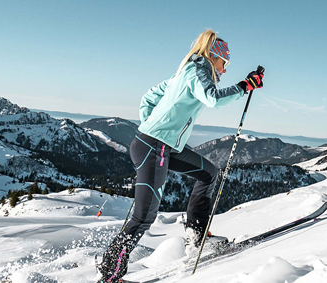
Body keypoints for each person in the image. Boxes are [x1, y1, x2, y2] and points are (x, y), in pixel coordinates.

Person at [97, 29, 264, 282]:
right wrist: (245, 85)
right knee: (144, 217)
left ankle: (197, 240)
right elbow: (213, 99)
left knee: (208, 174)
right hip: (154, 147)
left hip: (162, 145)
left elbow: (149, 97)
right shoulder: (197, 72)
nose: (225, 69)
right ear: (214, 56)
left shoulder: (183, 73)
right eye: (225, 63)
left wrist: (152, 123)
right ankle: (110, 275)